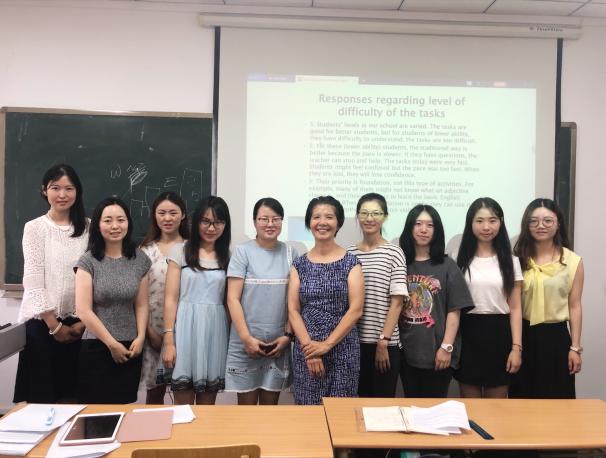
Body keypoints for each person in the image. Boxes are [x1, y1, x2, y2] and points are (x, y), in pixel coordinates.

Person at [13, 164, 89, 403]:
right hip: (42, 324)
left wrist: (83, 322)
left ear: (77, 191)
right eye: (55, 188)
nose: (62, 194)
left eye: (69, 188)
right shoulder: (34, 228)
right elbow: (33, 279)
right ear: (44, 190)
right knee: (41, 401)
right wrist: (54, 326)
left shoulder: (89, 227)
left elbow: (95, 277)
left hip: (81, 325)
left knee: (75, 399)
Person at [288, 195, 365, 405]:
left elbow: (356, 309)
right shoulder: (299, 264)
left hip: (343, 348)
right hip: (307, 349)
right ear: (309, 223)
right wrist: (310, 350)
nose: (322, 222)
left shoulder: (351, 263)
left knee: (341, 412)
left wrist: (327, 345)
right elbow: (293, 310)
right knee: (308, 412)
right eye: (316, 217)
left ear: (338, 223)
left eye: (329, 217)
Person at [75, 197, 151, 404]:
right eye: (108, 220)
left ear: (128, 223)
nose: (115, 226)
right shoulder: (88, 261)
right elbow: (83, 310)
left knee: (125, 411)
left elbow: (141, 304)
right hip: (97, 346)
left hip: (130, 347)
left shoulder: (140, 259)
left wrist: (141, 336)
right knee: (95, 414)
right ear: (98, 225)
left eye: (121, 220)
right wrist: (111, 344)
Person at [225, 197, 297, 404]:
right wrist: (247, 339)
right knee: (246, 411)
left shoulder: (291, 253)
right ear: (254, 221)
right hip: (245, 342)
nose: (270, 224)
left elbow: (294, 302)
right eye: (264, 219)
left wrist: (287, 337)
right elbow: (232, 299)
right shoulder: (242, 252)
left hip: (278, 344)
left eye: (276, 219)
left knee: (269, 411)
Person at [509, 198, 584, 399]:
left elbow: (575, 306)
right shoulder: (517, 260)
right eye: (534, 221)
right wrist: (516, 347)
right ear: (526, 225)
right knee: (521, 400)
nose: (540, 225)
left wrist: (575, 348)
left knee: (558, 400)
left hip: (556, 339)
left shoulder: (573, 261)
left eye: (547, 221)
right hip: (523, 336)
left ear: (558, 224)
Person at [162, 196, 231, 405]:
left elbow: (229, 302)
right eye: (205, 221)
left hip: (215, 330)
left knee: (207, 407)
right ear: (196, 222)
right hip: (185, 328)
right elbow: (170, 299)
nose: (211, 228)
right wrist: (169, 340)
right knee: (182, 407)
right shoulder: (180, 251)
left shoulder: (228, 256)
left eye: (218, 222)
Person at [398, 204, 473, 398]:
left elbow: (455, 311)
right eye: (418, 224)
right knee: (411, 406)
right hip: (406, 354)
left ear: (436, 230)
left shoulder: (447, 265)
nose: (423, 229)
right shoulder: (400, 264)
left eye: (430, 225)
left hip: (439, 353)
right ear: (409, 228)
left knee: (435, 410)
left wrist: (446, 347)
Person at [454, 198, 523, 398]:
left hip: (500, 334)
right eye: (480, 221)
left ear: (500, 223)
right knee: (470, 404)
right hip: (467, 333)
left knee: (497, 404)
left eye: (492, 220)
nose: (486, 227)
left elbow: (516, 308)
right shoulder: (457, 258)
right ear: (470, 223)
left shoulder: (511, 262)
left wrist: (516, 348)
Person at [347, 193, 407, 398]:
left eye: (376, 213)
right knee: (358, 403)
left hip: (385, 344)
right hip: (354, 343)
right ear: (357, 216)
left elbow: (397, 302)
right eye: (364, 213)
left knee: (382, 405)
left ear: (385, 217)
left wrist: (383, 341)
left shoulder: (394, 252)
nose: (369, 218)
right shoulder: (349, 254)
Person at [139, 192, 188, 404]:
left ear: (183, 215)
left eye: (173, 213)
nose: (167, 218)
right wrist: (149, 332)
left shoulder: (192, 249)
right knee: (154, 392)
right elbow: (138, 297)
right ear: (154, 215)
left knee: (184, 390)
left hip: (185, 329)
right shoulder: (144, 251)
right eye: (162, 213)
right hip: (152, 330)